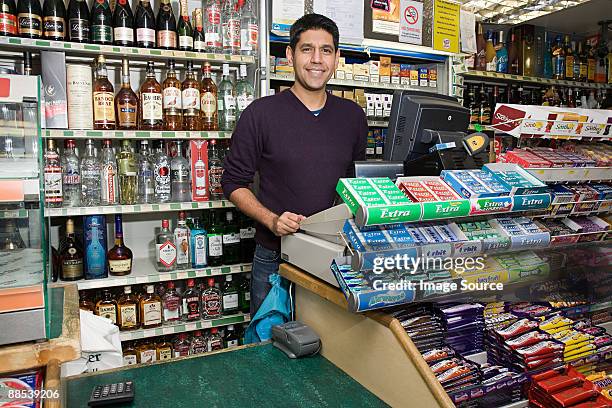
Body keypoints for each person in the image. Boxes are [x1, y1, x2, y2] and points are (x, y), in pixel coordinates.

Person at [221, 13, 367, 314]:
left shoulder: (352, 116)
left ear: (337, 57)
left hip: (335, 255)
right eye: (306, 49)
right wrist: (272, 220)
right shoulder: (261, 114)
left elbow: (358, 184)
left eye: (326, 50)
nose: (317, 59)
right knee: (270, 348)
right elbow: (233, 182)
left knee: (332, 350)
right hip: (276, 258)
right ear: (290, 54)